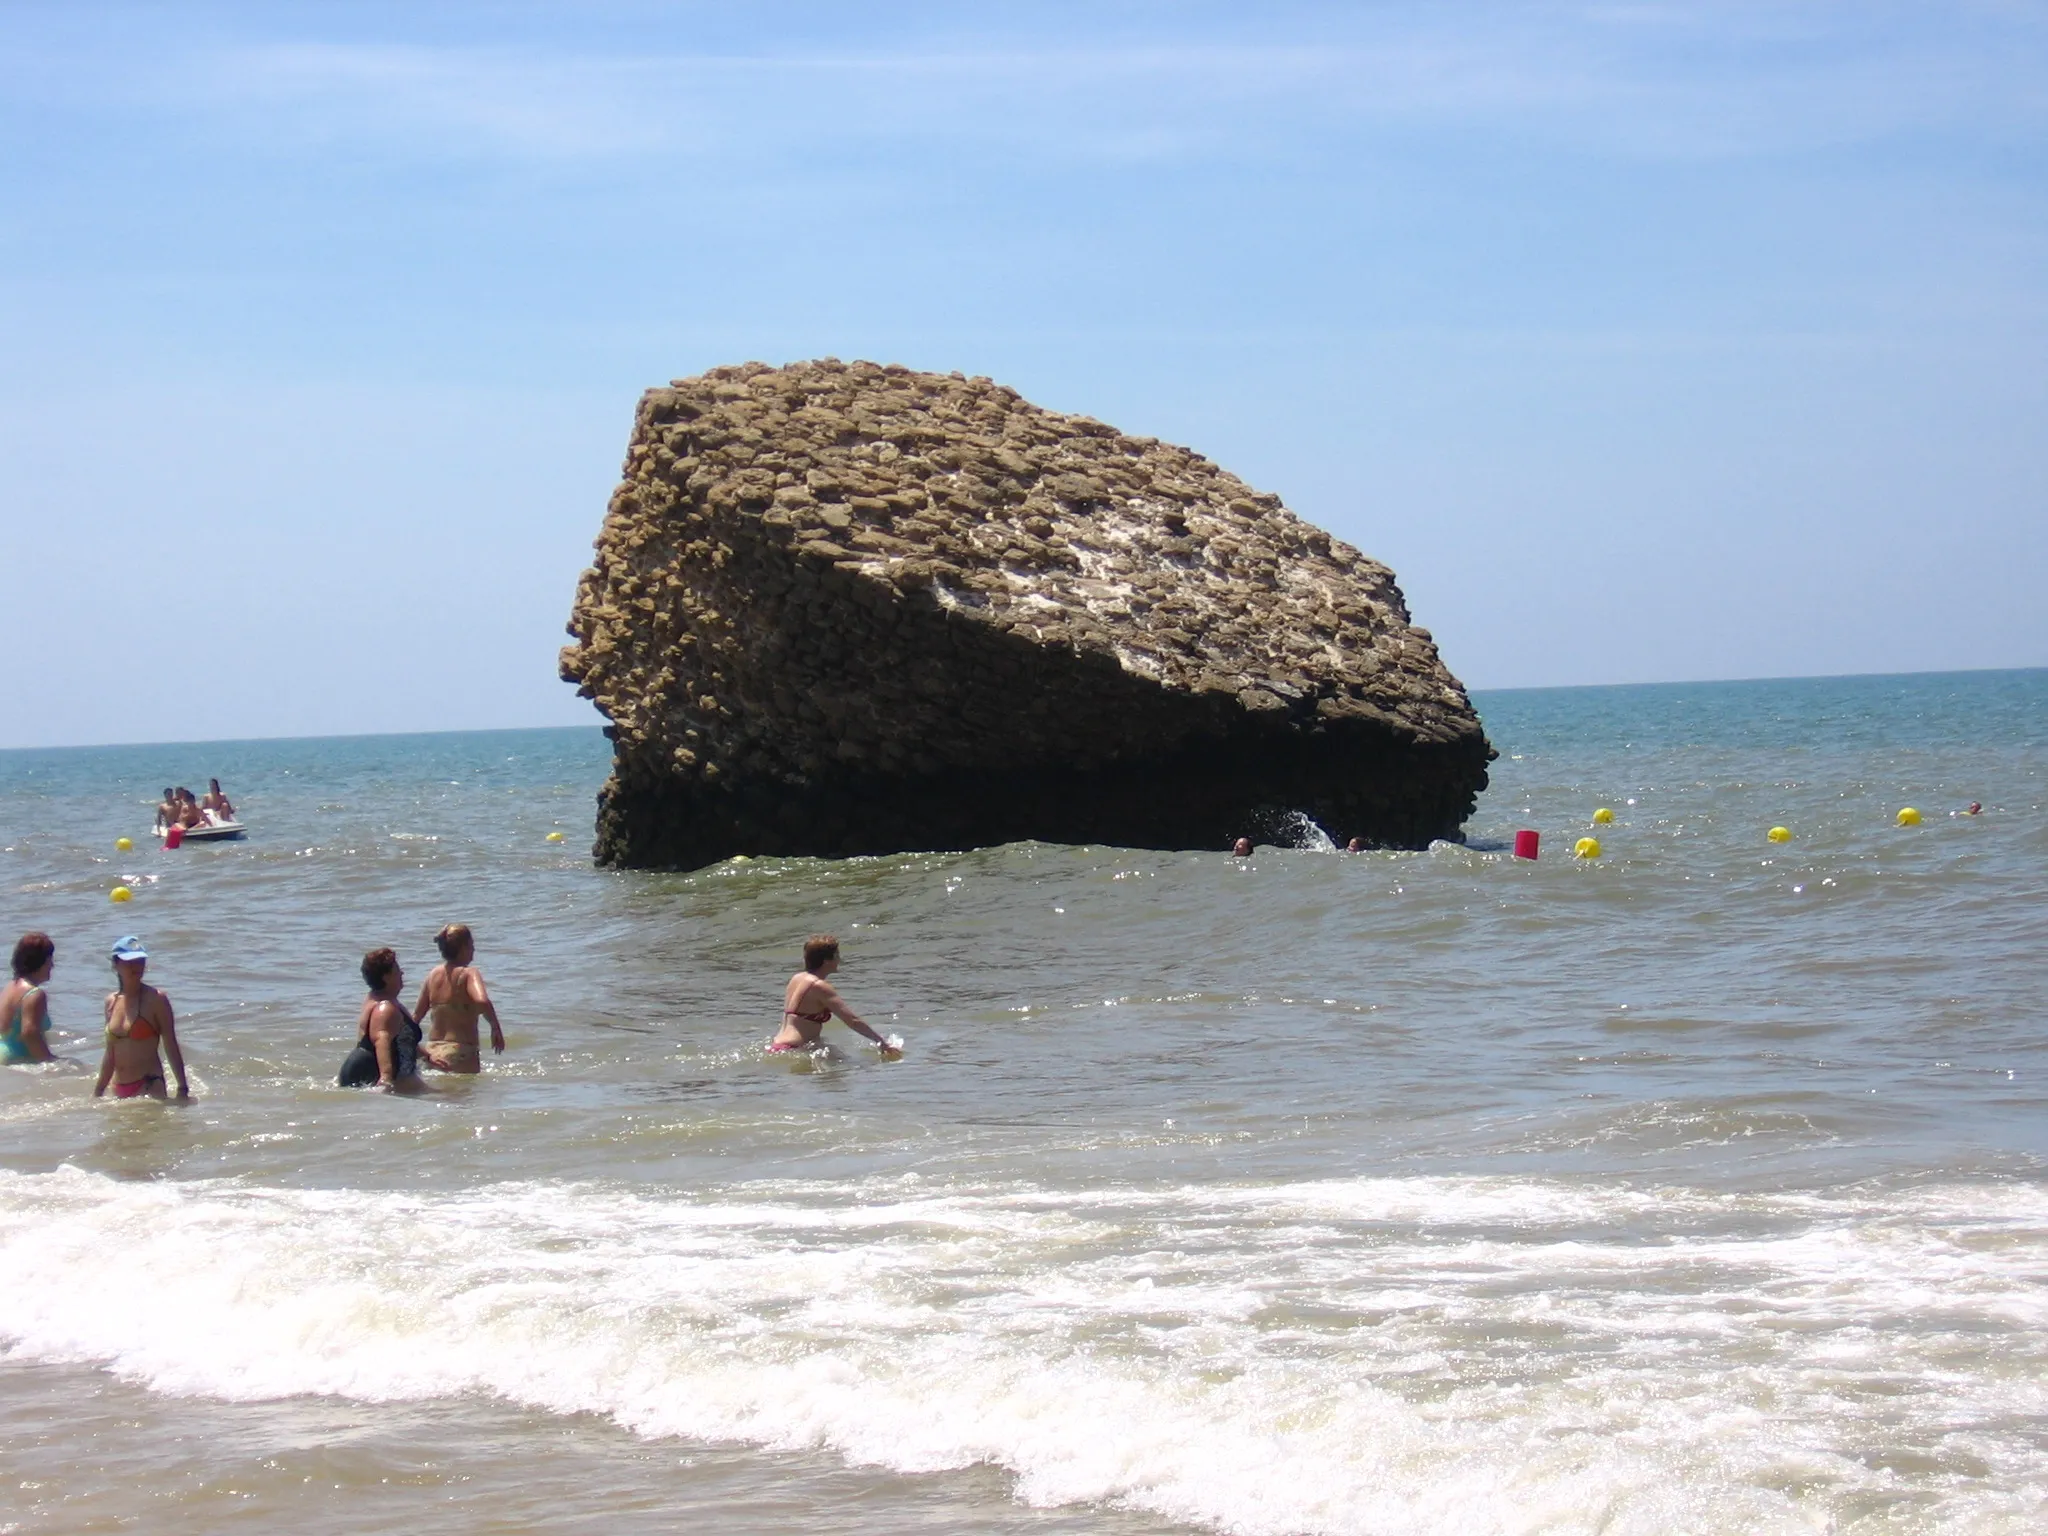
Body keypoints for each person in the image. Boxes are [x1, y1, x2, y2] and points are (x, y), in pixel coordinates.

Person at [94, 936, 190, 1100]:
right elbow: (110, 1054)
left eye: (140, 961)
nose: (136, 966)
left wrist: (182, 1088)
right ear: (116, 964)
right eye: (129, 961)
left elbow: (171, 1044)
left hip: (150, 1085)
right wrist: (98, 1092)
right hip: (118, 1088)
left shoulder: (156, 999)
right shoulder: (111, 1002)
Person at [772, 934, 898, 1055]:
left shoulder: (797, 978)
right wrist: (881, 1042)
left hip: (778, 1046)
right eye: (837, 955)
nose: (839, 960)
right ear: (827, 961)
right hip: (795, 1049)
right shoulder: (819, 986)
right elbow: (853, 1020)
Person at [410, 923, 504, 1073]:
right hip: (459, 1052)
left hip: (433, 1052)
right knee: (465, 1095)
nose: (474, 949)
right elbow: (482, 1001)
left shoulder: (433, 975)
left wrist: (413, 1047)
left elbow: (415, 1018)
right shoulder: (469, 973)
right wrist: (495, 1027)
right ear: (464, 947)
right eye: (471, 944)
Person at [339, 948, 424, 1091]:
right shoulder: (385, 1008)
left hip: (364, 1069)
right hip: (366, 1074)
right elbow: (382, 1040)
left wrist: (426, 1055)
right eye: (397, 970)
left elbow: (401, 1039)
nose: (402, 973)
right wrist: (386, 1078)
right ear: (386, 977)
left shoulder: (380, 998)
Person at [3, 932, 57, 1065]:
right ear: (40, 961)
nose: (52, 965)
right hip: (18, 1059)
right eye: (50, 960)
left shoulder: (10, 987)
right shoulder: (34, 994)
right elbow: (29, 1034)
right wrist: (50, 1062)